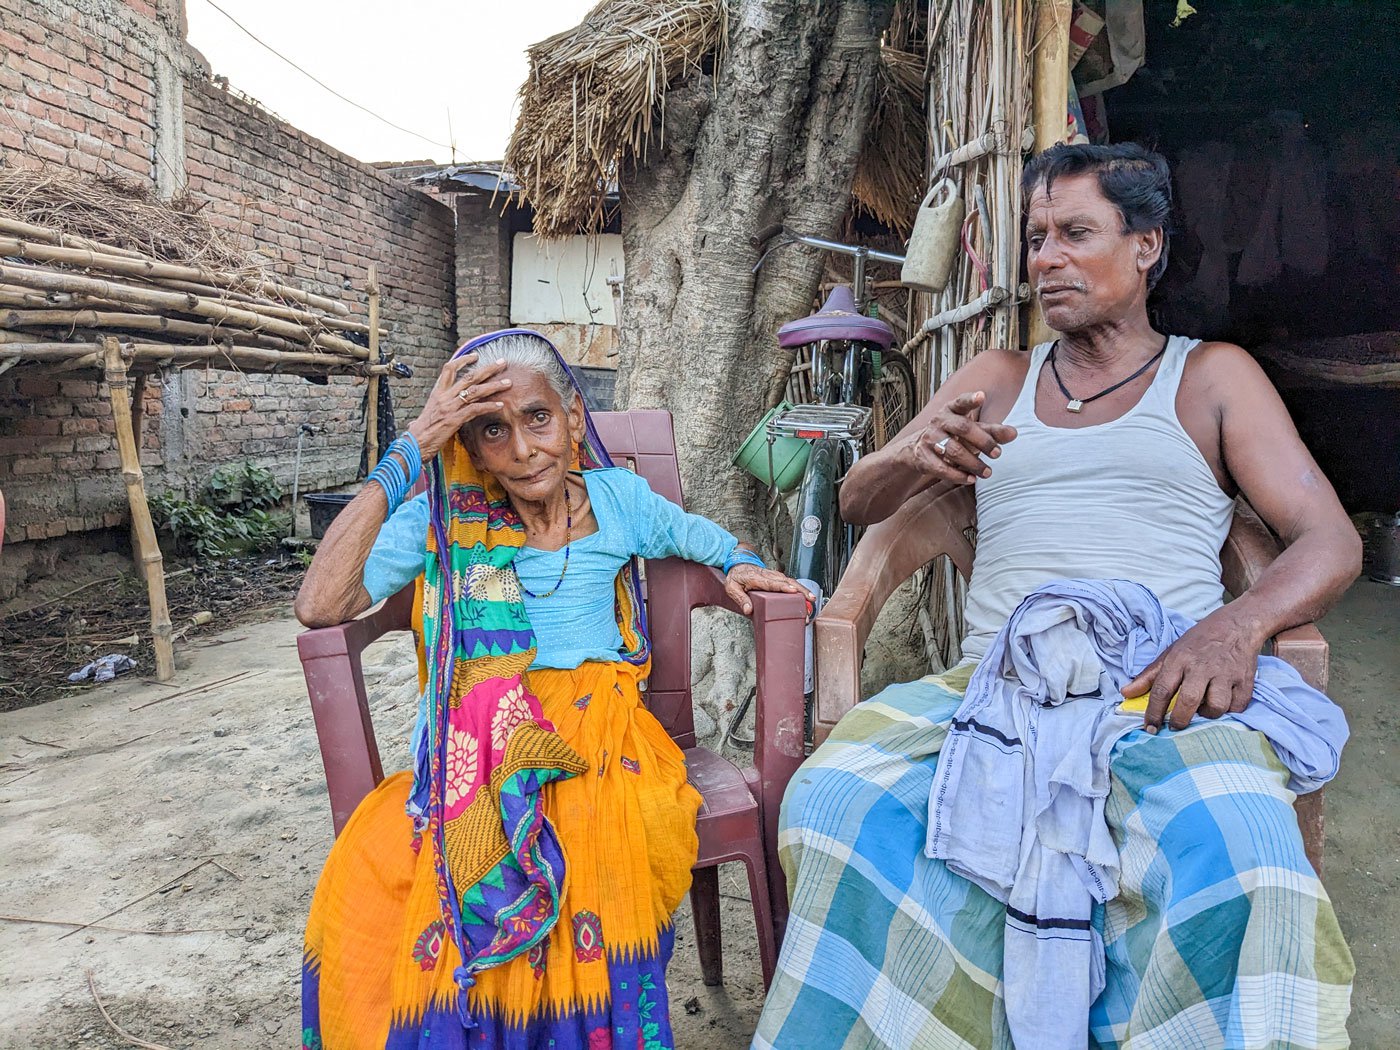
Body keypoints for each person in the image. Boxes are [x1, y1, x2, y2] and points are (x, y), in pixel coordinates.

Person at [754, 143, 1360, 1049]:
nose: (1046, 260)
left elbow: (1332, 539)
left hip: (1161, 689)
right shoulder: (997, 378)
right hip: (993, 689)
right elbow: (855, 502)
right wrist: (908, 455)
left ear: (1147, 245)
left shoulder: (1211, 378)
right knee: (835, 805)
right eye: (1038, 239)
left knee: (1246, 855)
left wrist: (1237, 630)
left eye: (1077, 233)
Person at [295, 328, 808, 1050]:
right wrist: (413, 443)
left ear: (571, 417)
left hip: (603, 729)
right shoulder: (445, 519)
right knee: (385, 868)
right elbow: (320, 603)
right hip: (482, 735)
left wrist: (743, 562)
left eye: (537, 418)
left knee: (594, 836)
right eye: (492, 431)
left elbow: (711, 542)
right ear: (470, 447)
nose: (524, 447)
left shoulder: (620, 500)